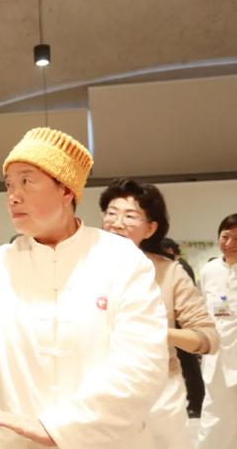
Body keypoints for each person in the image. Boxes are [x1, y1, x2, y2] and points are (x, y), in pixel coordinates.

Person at [0, 127, 169, 448]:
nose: (13, 195)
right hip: (6, 436)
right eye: (9, 184)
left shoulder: (121, 260)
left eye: (27, 181)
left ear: (66, 191)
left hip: (96, 438)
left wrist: (61, 428)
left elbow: (142, 364)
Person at [99, 178, 218, 449]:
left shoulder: (168, 272)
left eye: (130, 216)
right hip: (98, 390)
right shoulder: (83, 267)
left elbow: (207, 337)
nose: (117, 223)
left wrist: (157, 332)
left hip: (158, 396)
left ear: (150, 228)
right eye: (111, 213)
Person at [197, 213, 237, 449]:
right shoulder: (209, 270)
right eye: (225, 237)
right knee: (215, 410)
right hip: (218, 355)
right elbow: (204, 309)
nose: (230, 244)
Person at [162, 237, 207, 418]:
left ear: (171, 251)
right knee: (187, 365)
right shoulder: (175, 266)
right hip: (176, 325)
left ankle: (196, 402)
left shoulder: (179, 268)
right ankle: (194, 401)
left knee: (189, 364)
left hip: (182, 326)